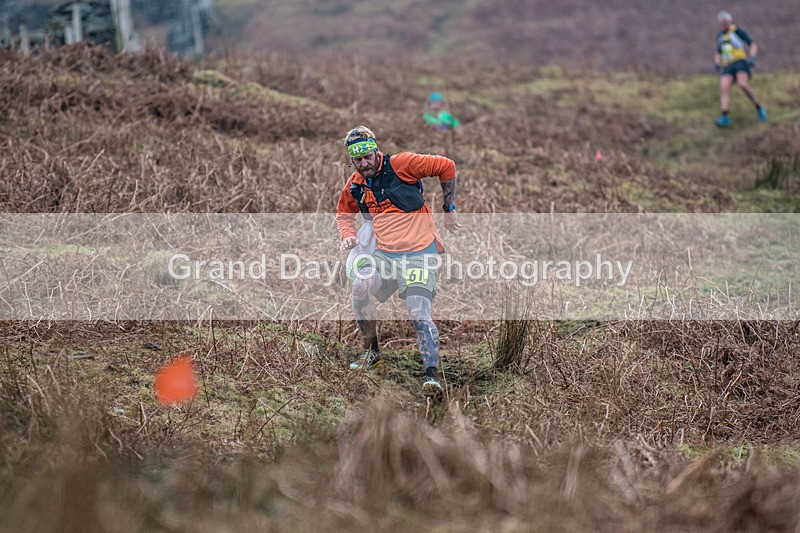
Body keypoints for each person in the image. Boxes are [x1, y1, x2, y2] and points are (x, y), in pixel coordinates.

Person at [336, 126, 462, 396]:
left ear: (375, 150)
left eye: (368, 157)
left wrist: (449, 209)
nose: (364, 164)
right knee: (360, 286)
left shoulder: (403, 164)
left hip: (420, 253)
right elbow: (343, 214)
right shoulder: (356, 184)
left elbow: (447, 166)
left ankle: (432, 375)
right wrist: (347, 236)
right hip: (385, 255)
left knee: (418, 311)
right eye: (358, 160)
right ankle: (371, 353)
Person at [714, 10, 767, 127]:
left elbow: (752, 43)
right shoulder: (720, 36)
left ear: (730, 21)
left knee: (742, 84)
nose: (725, 24)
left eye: (726, 21)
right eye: (722, 22)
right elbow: (718, 52)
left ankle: (759, 107)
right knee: (723, 86)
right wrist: (717, 62)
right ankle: (725, 116)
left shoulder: (738, 31)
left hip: (740, 62)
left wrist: (752, 57)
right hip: (728, 65)